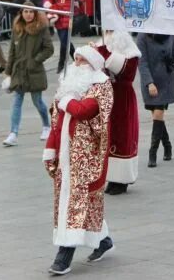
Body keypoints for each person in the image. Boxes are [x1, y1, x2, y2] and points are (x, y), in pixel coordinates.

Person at [43, 44, 115, 275]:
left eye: (82, 60)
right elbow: (57, 120)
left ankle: (65, 254)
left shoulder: (102, 85)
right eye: (76, 59)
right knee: (79, 200)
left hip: (86, 156)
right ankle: (102, 240)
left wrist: (66, 101)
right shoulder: (70, 85)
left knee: (75, 200)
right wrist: (50, 148)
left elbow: (86, 111)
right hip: (65, 152)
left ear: (93, 63)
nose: (77, 64)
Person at [96, 30, 142, 195]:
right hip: (107, 96)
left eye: (111, 31)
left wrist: (103, 53)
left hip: (123, 98)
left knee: (123, 136)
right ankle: (111, 177)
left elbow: (125, 71)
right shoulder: (103, 47)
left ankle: (121, 179)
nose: (108, 34)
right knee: (109, 136)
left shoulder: (131, 53)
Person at [2, 3, 54, 146]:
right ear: (21, 13)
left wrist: (35, 60)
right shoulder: (17, 28)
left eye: (31, 11)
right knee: (17, 100)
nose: (28, 14)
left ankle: (46, 126)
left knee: (37, 101)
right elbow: (12, 51)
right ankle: (13, 133)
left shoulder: (41, 28)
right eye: (26, 11)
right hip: (19, 71)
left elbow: (49, 49)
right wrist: (8, 72)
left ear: (35, 13)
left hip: (34, 71)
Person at [136, 33, 174, 168]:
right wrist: (149, 83)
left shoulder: (170, 35)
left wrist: (172, 60)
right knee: (156, 116)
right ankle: (167, 145)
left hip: (166, 80)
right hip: (150, 82)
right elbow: (142, 63)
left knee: (158, 114)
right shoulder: (142, 36)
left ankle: (152, 152)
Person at [45, 0, 85, 73]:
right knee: (65, 40)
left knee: (64, 40)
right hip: (58, 13)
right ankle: (78, 59)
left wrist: (78, 2)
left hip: (70, 13)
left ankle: (61, 63)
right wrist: (48, 5)